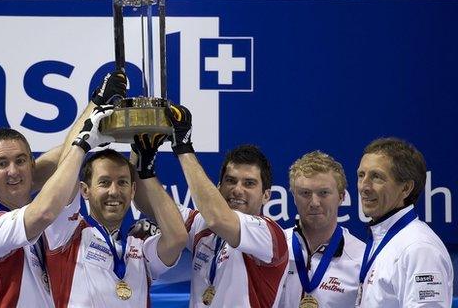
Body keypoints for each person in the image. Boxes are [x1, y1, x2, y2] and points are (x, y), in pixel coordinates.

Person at [0, 103, 116, 307]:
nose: (13, 171)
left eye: (20, 161)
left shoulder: (42, 220)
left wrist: (95, 105)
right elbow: (43, 212)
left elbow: (66, 161)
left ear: (32, 164)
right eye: (2, 164)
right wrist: (85, 141)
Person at [164, 104, 289, 308]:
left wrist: (183, 148)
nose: (237, 190)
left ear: (266, 195)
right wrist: (142, 158)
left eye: (249, 183)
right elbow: (152, 206)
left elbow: (216, 217)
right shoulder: (201, 226)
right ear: (218, 187)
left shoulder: (269, 234)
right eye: (231, 181)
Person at [43, 142, 188, 308]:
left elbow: (177, 238)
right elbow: (60, 187)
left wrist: (146, 173)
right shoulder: (66, 234)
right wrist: (83, 142)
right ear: (85, 190)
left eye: (122, 182)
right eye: (104, 182)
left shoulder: (139, 247)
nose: (114, 191)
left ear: (133, 190)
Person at [356, 137, 453, 307]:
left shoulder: (419, 248)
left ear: (406, 188)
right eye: (361, 175)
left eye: (376, 177)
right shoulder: (382, 238)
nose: (364, 186)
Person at [277, 151, 365, 307]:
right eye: (305, 193)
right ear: (294, 197)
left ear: (341, 197)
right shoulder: (275, 247)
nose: (314, 202)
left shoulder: (361, 258)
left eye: (323, 193)